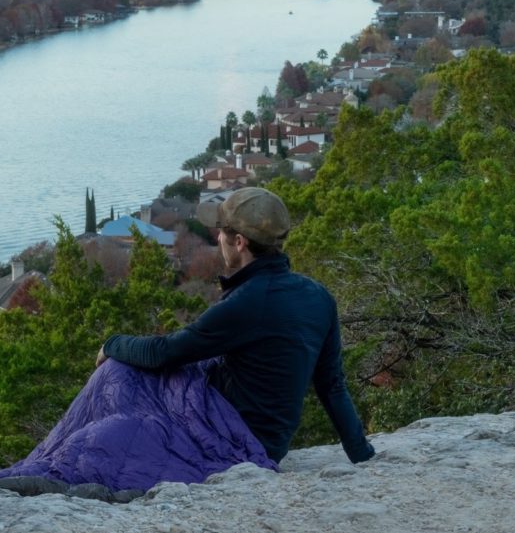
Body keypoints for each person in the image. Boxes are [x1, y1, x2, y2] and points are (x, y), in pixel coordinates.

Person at [98, 186, 374, 465]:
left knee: (118, 371)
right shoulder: (319, 296)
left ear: (240, 242)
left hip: (234, 440)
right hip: (272, 444)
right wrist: (362, 455)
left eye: (221, 231)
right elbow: (332, 385)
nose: (217, 237)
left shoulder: (246, 302)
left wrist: (112, 345)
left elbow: (164, 352)